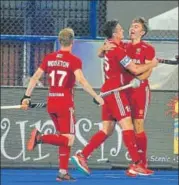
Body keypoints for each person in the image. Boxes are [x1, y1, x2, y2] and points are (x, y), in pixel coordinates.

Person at [71, 20, 158, 176]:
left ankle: (82, 155)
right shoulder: (118, 49)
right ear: (115, 33)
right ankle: (137, 163)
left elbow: (102, 53)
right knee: (128, 126)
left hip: (107, 91)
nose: (124, 30)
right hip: (116, 91)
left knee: (107, 130)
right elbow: (135, 68)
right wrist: (152, 64)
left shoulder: (111, 45)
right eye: (120, 29)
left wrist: (102, 48)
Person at [20, 28, 104, 182]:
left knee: (63, 137)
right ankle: (40, 137)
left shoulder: (49, 58)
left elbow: (35, 77)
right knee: (69, 139)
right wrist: (96, 96)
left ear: (59, 41)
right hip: (65, 104)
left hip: (52, 102)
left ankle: (62, 172)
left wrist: (26, 96)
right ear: (72, 42)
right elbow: (81, 80)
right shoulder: (74, 60)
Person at [97, 17, 157, 176]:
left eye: (136, 26)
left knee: (138, 126)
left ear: (142, 32)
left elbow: (148, 71)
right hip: (125, 90)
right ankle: (134, 164)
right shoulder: (123, 45)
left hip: (140, 90)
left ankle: (142, 163)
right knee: (127, 126)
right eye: (131, 25)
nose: (131, 28)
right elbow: (102, 53)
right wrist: (101, 49)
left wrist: (139, 80)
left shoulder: (148, 48)